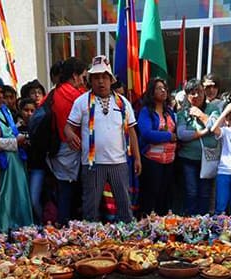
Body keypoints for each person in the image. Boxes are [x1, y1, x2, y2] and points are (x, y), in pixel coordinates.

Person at [66, 55, 140, 222]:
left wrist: (137, 158)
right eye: (96, 77)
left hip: (118, 162)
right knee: (90, 207)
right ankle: (91, 243)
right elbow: (68, 127)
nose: (101, 81)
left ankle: (128, 242)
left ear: (110, 80)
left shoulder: (123, 102)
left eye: (104, 77)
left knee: (124, 206)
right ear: (90, 80)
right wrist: (70, 134)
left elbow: (132, 132)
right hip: (92, 163)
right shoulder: (81, 102)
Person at [0, 75, 33, 232]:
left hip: (16, 159)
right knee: (6, 195)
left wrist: (22, 139)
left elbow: (11, 132)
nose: (0, 96)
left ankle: (23, 227)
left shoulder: (5, 111)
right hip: (3, 160)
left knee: (20, 193)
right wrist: (15, 143)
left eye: (1, 92)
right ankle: (6, 227)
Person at [48, 57, 86, 223]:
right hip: (70, 148)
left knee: (66, 191)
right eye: (84, 77)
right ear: (75, 76)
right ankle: (66, 228)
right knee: (68, 192)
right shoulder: (77, 95)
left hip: (59, 148)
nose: (84, 82)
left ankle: (64, 227)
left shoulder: (55, 92)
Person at [177, 78, 220, 215]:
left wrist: (201, 115)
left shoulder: (213, 109)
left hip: (207, 160)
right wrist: (203, 132)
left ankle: (203, 222)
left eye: (199, 92)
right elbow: (182, 134)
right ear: (187, 95)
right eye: (192, 93)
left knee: (205, 193)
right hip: (188, 159)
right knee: (191, 191)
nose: (196, 96)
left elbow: (214, 126)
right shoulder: (182, 113)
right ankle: (190, 222)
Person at [136, 77, 177, 216]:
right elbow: (146, 133)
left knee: (164, 198)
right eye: (159, 88)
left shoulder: (169, 112)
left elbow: (176, 131)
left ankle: (163, 231)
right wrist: (168, 136)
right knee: (150, 196)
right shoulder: (146, 111)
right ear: (151, 92)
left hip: (169, 162)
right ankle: (147, 228)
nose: (163, 90)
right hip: (152, 162)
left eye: (164, 88)